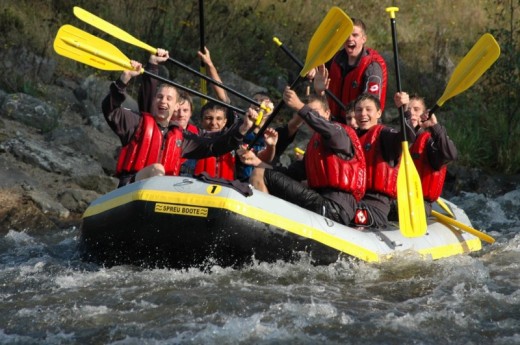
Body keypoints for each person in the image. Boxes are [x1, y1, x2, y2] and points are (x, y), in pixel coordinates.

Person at [101, 56, 258, 187]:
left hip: (163, 195)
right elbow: (110, 109)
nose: (163, 101)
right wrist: (124, 80)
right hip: (130, 188)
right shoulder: (135, 122)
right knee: (157, 169)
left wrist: (243, 129)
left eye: (169, 98)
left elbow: (215, 146)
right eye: (159, 97)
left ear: (176, 106)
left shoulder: (182, 138)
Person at [238, 88, 366, 226]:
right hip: (321, 202)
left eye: (315, 113)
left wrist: (300, 106)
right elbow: (288, 174)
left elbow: (326, 128)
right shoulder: (314, 147)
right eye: (307, 115)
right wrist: (257, 161)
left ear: (327, 113)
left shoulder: (339, 133)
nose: (310, 118)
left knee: (259, 174)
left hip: (334, 207)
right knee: (261, 172)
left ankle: (262, 227)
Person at [352, 92, 416, 228]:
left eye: (368, 109)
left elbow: (408, 137)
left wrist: (404, 111)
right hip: (352, 201)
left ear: (379, 113)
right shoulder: (350, 137)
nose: (363, 114)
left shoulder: (385, 135)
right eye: (358, 110)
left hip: (375, 207)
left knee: (345, 214)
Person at [312, 18, 388, 118]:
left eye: (355, 35)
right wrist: (312, 70)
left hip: (361, 124)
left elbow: (370, 105)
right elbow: (316, 71)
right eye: (346, 34)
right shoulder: (335, 58)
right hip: (335, 121)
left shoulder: (372, 66)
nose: (350, 38)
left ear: (364, 39)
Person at [406, 94, 458, 215]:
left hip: (419, 204)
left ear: (424, 114)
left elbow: (450, 155)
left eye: (416, 109)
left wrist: (434, 126)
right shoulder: (394, 138)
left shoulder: (429, 143)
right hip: (396, 200)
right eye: (407, 110)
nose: (412, 113)